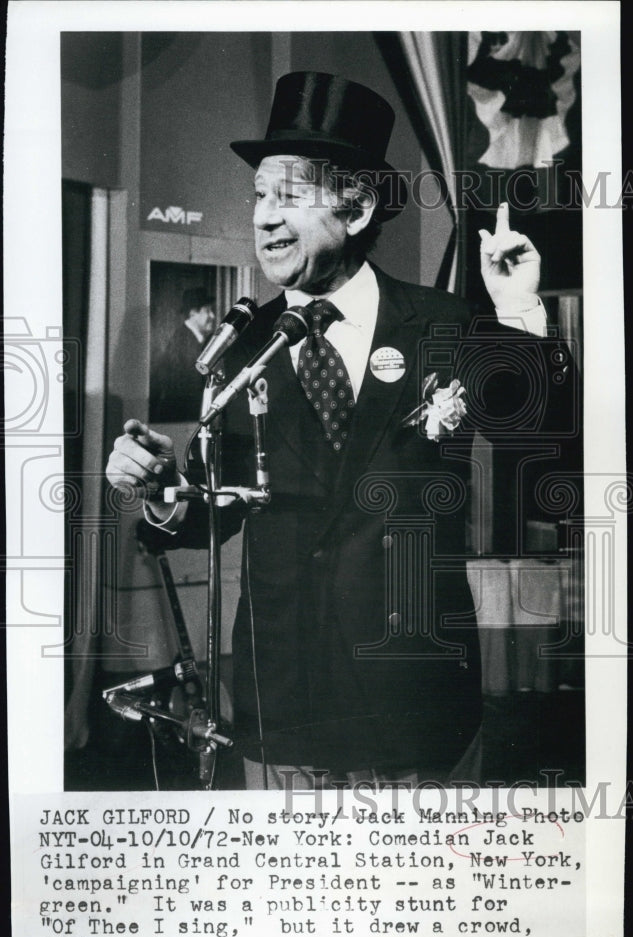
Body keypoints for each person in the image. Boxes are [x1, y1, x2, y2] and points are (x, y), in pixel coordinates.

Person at [106, 72, 579, 789]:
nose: (263, 217)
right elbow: (212, 515)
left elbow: (543, 452)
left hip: (412, 697)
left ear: (356, 210)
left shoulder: (443, 325)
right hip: (282, 702)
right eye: (259, 195)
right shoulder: (238, 349)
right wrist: (163, 489)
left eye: (288, 198)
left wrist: (518, 315)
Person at [150, 286, 215, 422]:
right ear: (192, 314)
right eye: (207, 311)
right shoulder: (183, 343)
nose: (212, 316)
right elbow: (191, 394)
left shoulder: (191, 340)